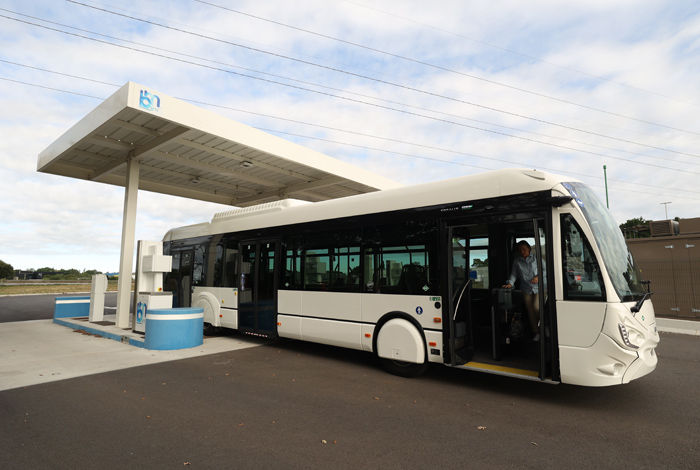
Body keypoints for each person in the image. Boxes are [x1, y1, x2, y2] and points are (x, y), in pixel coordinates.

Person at [503, 240, 542, 341]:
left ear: (529, 249)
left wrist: (538, 277)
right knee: (530, 312)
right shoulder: (517, 261)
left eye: (524, 249)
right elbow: (514, 274)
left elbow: (545, 270)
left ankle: (545, 325)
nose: (522, 252)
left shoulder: (536, 258)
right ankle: (537, 332)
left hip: (539, 288)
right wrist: (510, 283)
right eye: (520, 250)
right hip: (526, 289)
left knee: (537, 308)